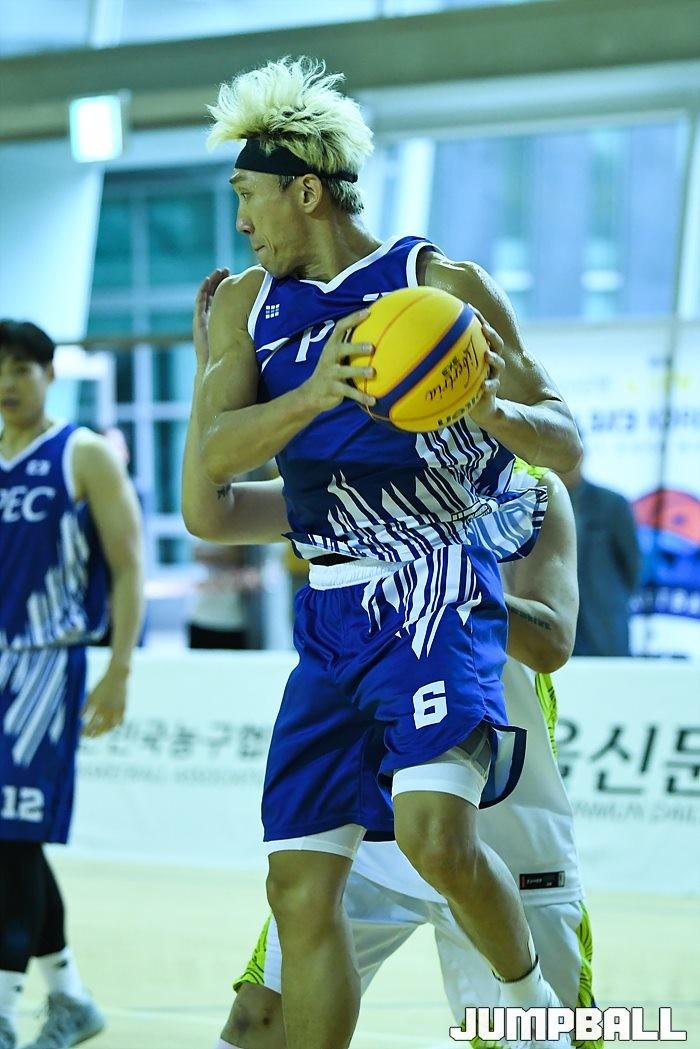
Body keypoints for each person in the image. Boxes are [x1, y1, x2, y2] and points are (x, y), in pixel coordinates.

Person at [182, 58, 582, 1049]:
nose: (241, 220)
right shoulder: (245, 307)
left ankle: (530, 1000)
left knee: (438, 842)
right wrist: (310, 393)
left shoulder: (438, 285)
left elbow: (565, 443)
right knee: (292, 895)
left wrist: (492, 409)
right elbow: (209, 485)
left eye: (248, 194)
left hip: (436, 590)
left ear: (305, 192)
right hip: (333, 608)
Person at [211, 463, 601, 1049]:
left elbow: (552, 642)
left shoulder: (530, 487)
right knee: (259, 1021)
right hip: (371, 836)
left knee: (537, 1035)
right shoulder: (347, 476)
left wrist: (438, 578)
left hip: (501, 836)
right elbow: (217, 512)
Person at [0, 321, 144, 1049]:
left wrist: (118, 669)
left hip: (47, 665)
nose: (8, 381)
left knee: (12, 841)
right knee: (12, 843)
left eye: (22, 367)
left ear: (50, 374)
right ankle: (70, 998)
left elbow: (128, 564)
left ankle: (4, 1009)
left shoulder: (82, 453)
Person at [559, 451, 640, 656]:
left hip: (604, 624)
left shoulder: (612, 504)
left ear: (581, 455)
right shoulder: (536, 502)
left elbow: (633, 565)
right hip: (557, 622)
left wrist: (610, 598)